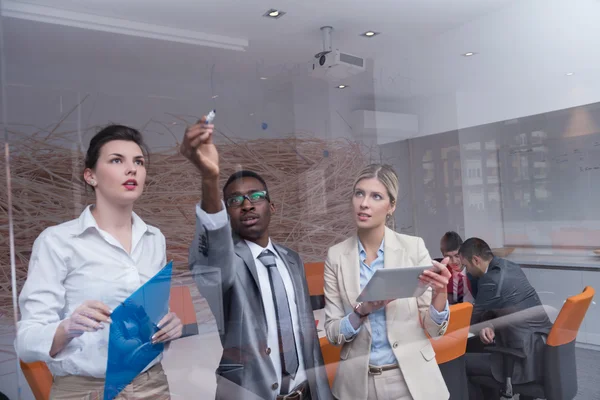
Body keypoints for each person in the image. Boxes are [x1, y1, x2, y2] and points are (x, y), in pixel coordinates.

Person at [16, 125, 183, 399]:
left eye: (138, 162)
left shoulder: (155, 239)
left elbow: (151, 320)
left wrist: (170, 327)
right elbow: (26, 340)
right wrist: (69, 326)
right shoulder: (57, 241)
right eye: (117, 160)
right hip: (84, 390)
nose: (132, 169)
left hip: (152, 386)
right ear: (90, 175)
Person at [181, 117, 331, 400]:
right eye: (235, 201)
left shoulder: (291, 259)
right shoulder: (224, 264)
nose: (247, 205)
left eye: (256, 196)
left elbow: (306, 336)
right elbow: (213, 251)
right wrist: (209, 178)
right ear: (226, 214)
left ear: (271, 206)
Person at [323, 164, 452, 400]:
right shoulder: (336, 256)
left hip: (411, 382)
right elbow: (332, 333)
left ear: (391, 206)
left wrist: (440, 294)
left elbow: (434, 330)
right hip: (357, 387)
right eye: (359, 193)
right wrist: (361, 312)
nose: (364, 203)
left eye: (376, 196)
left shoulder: (413, 248)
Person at [459, 238, 552, 400]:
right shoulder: (510, 267)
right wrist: (489, 324)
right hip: (541, 349)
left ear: (476, 260)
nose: (466, 271)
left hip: (521, 357)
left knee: (460, 364)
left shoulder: (490, 280)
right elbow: (507, 305)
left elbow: (470, 322)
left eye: (465, 266)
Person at [440, 231, 475, 304]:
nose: (454, 261)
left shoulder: (475, 270)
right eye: (448, 257)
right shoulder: (443, 274)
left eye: (457, 255)